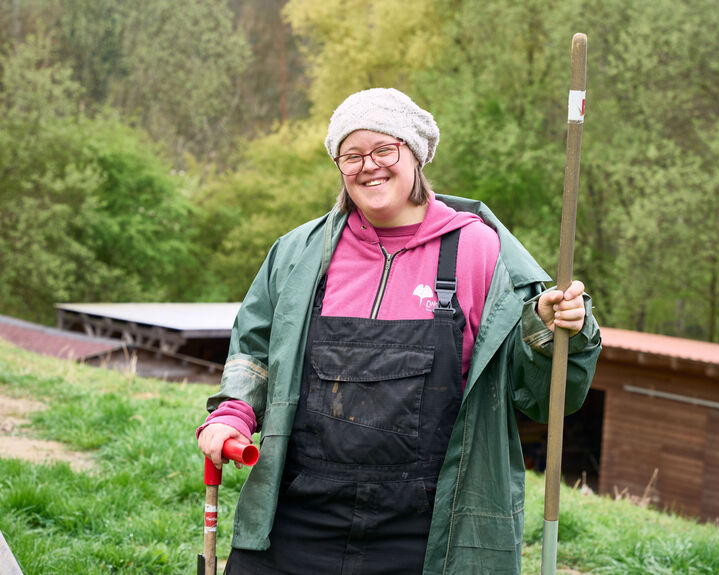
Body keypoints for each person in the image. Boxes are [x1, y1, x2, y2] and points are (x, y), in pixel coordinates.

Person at [197, 88, 601, 575]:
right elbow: (255, 349)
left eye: (384, 149)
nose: (368, 166)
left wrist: (558, 332)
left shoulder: (481, 251)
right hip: (298, 515)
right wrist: (234, 411)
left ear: (414, 153)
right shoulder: (299, 253)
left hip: (428, 530)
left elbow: (543, 396)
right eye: (351, 155)